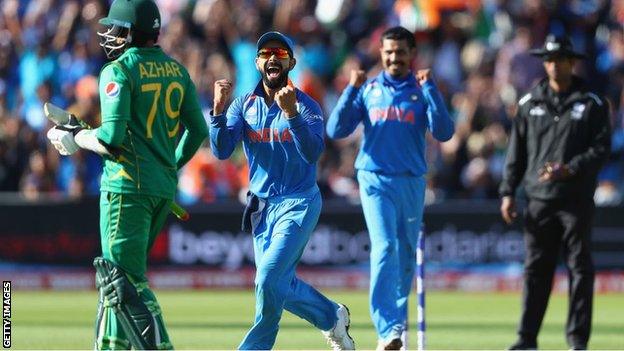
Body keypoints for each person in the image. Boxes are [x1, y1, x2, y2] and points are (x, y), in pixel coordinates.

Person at [45, 0, 208, 349]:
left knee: (124, 283)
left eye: (117, 28)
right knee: (114, 282)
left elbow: (110, 139)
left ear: (132, 32)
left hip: (126, 188)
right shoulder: (177, 70)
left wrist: (76, 138)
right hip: (161, 189)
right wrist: (167, 167)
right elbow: (196, 132)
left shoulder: (118, 70)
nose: (110, 35)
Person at [208, 31, 355, 350]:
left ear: (291, 61)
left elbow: (313, 152)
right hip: (262, 208)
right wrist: (218, 113)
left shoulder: (307, 106)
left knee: (267, 279)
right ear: (258, 63)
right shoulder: (242, 105)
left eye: (279, 52)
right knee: (277, 285)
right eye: (265, 53)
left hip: (299, 203)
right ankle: (331, 316)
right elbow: (221, 152)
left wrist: (291, 114)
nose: (272, 57)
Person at [327, 26, 454, 350]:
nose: (394, 58)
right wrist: (351, 90)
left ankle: (395, 325)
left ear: (412, 54)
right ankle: (387, 329)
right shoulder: (369, 89)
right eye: (388, 52)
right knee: (385, 248)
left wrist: (432, 92)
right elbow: (336, 129)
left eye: (400, 52)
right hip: (374, 179)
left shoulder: (421, 89)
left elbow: (443, 132)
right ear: (381, 54)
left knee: (406, 257)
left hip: (411, 181)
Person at [499, 34, 611, 351]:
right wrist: (508, 192)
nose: (553, 65)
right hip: (538, 200)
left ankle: (577, 341)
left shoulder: (592, 102)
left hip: (575, 200)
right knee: (536, 270)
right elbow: (515, 154)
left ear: (571, 62)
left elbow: (601, 149)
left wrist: (571, 168)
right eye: (548, 60)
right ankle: (526, 338)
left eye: (560, 59)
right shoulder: (529, 102)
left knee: (579, 269)